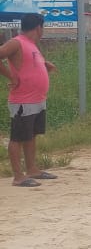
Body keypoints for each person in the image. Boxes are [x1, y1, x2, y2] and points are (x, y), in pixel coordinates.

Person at [0, 13, 59, 187]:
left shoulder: (31, 45)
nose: (43, 31)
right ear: (38, 27)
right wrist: (11, 77)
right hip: (22, 101)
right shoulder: (16, 42)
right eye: (43, 28)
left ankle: (32, 169)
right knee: (17, 137)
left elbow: (27, 64)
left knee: (31, 135)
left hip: (37, 99)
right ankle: (18, 177)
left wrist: (44, 65)